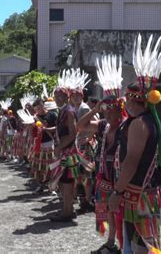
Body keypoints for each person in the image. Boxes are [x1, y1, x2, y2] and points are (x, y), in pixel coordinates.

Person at [108, 34, 161, 253]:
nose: (124, 102)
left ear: (132, 99)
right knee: (141, 242)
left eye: (127, 98)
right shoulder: (146, 121)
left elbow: (132, 161)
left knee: (143, 246)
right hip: (141, 193)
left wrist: (117, 192)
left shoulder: (139, 124)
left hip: (139, 194)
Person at [77, 54, 127, 254]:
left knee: (122, 214)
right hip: (105, 176)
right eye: (105, 110)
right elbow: (80, 126)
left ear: (119, 110)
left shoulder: (127, 125)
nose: (107, 114)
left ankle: (123, 245)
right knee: (109, 213)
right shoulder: (103, 125)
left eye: (110, 110)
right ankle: (111, 243)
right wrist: (95, 109)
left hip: (121, 178)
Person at [48, 68, 86, 222]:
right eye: (56, 96)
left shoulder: (68, 111)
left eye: (60, 96)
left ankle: (67, 212)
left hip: (68, 152)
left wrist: (59, 147)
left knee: (67, 182)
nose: (57, 98)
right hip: (65, 150)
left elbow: (72, 133)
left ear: (66, 97)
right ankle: (67, 209)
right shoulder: (63, 110)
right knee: (65, 183)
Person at [69, 70, 96, 213]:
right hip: (77, 144)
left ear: (82, 95)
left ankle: (87, 199)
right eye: (72, 95)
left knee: (87, 174)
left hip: (84, 146)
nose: (74, 97)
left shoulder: (84, 107)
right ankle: (78, 198)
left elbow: (95, 123)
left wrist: (89, 138)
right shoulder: (74, 107)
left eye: (77, 95)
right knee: (77, 174)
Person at [31, 99, 58, 193]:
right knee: (37, 167)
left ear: (43, 105)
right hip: (38, 144)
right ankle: (40, 185)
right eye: (36, 109)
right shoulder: (35, 117)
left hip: (50, 143)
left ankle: (52, 186)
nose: (38, 110)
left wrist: (46, 129)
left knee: (51, 166)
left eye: (39, 108)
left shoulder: (52, 114)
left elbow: (58, 127)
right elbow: (32, 131)